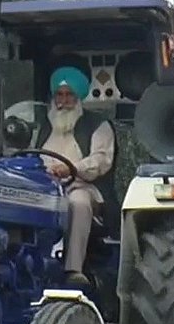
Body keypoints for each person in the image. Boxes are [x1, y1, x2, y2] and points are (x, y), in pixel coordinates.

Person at [35, 66, 116, 287]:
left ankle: (73, 270)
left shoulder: (98, 125)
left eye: (69, 95)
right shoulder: (41, 125)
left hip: (82, 186)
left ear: (78, 97)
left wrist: (71, 169)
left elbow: (101, 160)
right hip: (43, 186)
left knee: (77, 203)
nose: (64, 101)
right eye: (59, 95)